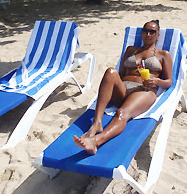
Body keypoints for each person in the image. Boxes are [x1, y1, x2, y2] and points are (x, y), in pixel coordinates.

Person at [73, 20, 173, 155]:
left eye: (152, 32)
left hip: (144, 91)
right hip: (124, 88)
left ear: (158, 35)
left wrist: (156, 81)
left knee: (121, 113)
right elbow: (119, 74)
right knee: (110, 71)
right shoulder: (131, 50)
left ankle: (95, 142)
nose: (148, 34)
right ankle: (97, 122)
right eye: (145, 31)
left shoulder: (163, 54)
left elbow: (169, 81)